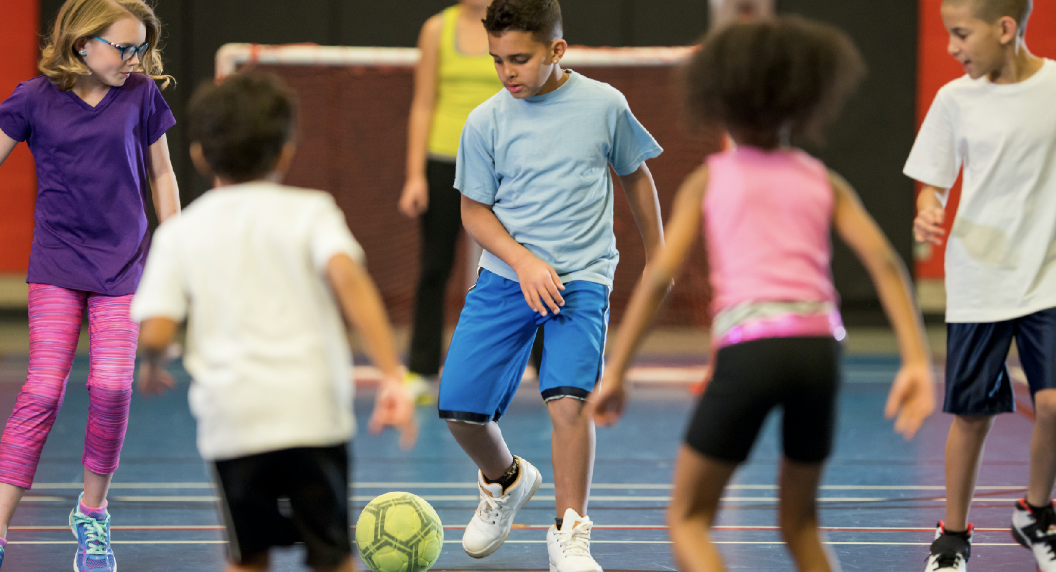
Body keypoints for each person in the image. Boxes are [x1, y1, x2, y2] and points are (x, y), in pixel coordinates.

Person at [593, 16, 936, 572]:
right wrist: (917, 360)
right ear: (801, 105)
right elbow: (888, 265)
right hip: (821, 348)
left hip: (751, 348)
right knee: (800, 525)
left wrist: (617, 372)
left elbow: (660, 276)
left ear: (720, 102)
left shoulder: (710, 178)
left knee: (688, 518)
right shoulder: (822, 178)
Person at [130, 71, 417, 572]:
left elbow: (155, 328)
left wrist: (152, 362)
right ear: (286, 151)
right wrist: (392, 370)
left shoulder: (182, 233)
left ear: (199, 155)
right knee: (332, 556)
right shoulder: (312, 211)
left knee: (249, 556)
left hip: (235, 421)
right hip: (313, 415)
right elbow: (350, 282)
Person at [438, 0, 665, 570]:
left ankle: (570, 530)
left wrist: (658, 254)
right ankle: (506, 479)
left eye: (520, 59)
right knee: (461, 410)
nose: (507, 72)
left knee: (569, 403)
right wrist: (523, 262)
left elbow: (636, 177)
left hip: (583, 276)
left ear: (557, 50)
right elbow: (474, 212)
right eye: (496, 61)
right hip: (507, 277)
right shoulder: (485, 121)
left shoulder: (604, 105)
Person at [0, 0, 179, 568]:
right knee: (43, 390)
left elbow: (163, 174)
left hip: (123, 271)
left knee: (112, 389)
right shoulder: (33, 99)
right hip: (57, 266)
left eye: (141, 48)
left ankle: (92, 514)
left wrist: (176, 254)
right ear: (83, 44)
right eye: (124, 48)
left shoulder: (142, 96)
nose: (135, 59)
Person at [905, 1, 1056, 570]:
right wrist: (927, 210)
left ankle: (1035, 512)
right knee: (972, 416)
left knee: (1054, 404)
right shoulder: (954, 100)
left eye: (961, 34)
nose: (951, 46)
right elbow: (933, 183)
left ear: (1006, 29)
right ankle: (953, 535)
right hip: (979, 281)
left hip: (1048, 279)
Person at [398, 0, 503, 401]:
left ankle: (545, 367)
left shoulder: (514, 25)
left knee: (523, 263)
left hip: (501, 164)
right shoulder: (435, 30)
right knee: (433, 268)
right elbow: (423, 103)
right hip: (444, 162)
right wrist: (414, 176)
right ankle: (422, 370)